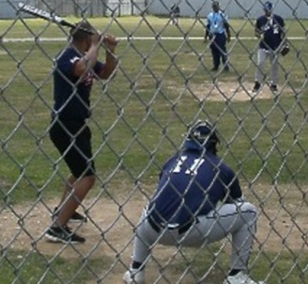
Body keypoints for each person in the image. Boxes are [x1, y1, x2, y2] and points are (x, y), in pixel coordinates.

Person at [123, 121, 262, 284]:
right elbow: (237, 202)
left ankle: (136, 271)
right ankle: (236, 276)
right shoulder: (221, 168)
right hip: (192, 233)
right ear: (214, 144)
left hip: (152, 230)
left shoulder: (172, 161)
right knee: (248, 212)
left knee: (150, 208)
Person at [45, 20, 118, 244]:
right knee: (87, 177)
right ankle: (57, 227)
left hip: (77, 123)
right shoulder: (67, 56)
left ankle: (64, 210)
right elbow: (81, 68)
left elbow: (105, 74)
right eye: (91, 40)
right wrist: (95, 45)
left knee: (78, 172)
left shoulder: (87, 55)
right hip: (65, 124)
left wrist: (110, 52)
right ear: (86, 40)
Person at [253, 1, 285, 94]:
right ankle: (257, 83)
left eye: (269, 9)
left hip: (275, 47)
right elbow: (256, 31)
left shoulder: (278, 19)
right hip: (263, 46)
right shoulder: (260, 20)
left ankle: (274, 84)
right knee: (260, 63)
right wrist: (259, 35)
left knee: (274, 66)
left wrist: (284, 43)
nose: (267, 11)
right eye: (266, 9)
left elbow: (283, 32)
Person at [204, 1, 231, 72]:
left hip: (220, 34)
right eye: (214, 7)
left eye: (216, 6)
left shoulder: (222, 15)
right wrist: (206, 36)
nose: (215, 8)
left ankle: (225, 65)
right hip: (212, 34)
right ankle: (216, 65)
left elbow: (226, 26)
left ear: (219, 7)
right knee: (214, 51)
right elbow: (208, 26)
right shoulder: (210, 15)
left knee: (222, 50)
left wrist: (228, 35)